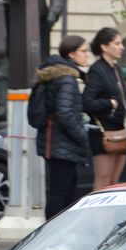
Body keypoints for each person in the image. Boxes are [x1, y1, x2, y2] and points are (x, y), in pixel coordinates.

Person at [32, 35, 92, 218]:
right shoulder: (66, 79)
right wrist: (82, 136)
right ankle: (52, 232)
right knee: (60, 193)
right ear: (71, 54)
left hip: (56, 142)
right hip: (61, 143)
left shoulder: (58, 75)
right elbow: (65, 113)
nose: (87, 55)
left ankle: (59, 230)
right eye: (83, 51)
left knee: (64, 192)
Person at [83, 27, 126, 191]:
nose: (122, 47)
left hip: (120, 130)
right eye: (117, 43)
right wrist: (109, 103)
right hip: (103, 132)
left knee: (114, 183)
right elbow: (87, 103)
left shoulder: (116, 69)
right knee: (103, 181)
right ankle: (96, 209)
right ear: (104, 46)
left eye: (121, 43)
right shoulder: (97, 70)